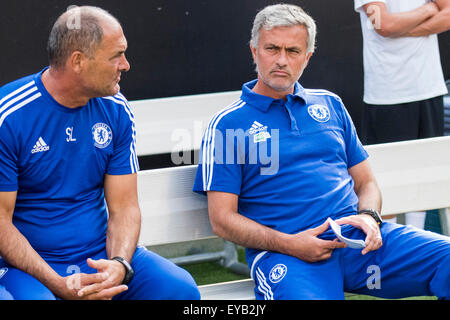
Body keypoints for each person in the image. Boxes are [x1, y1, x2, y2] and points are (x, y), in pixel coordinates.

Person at [193, 3, 450, 300]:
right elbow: (222, 219)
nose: (281, 60)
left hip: (357, 241)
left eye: (293, 51)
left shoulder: (330, 105)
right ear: (254, 51)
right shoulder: (227, 125)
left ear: (307, 57)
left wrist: (368, 216)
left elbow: (366, 183)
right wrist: (290, 244)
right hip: (288, 254)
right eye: (272, 49)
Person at [0, 6, 200, 300]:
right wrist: (57, 283)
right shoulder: (9, 116)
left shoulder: (115, 109)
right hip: (28, 270)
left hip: (98, 258)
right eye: (116, 55)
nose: (126, 64)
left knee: (180, 291)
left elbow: (125, 208)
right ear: (78, 61)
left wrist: (118, 265)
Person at [355, 0, 450, 228]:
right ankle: (391, 246)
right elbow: (384, 25)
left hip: (429, 88)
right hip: (388, 93)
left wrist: (404, 28)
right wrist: (427, 10)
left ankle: (416, 239)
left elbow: (448, 15)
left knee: (426, 171)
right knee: (387, 177)